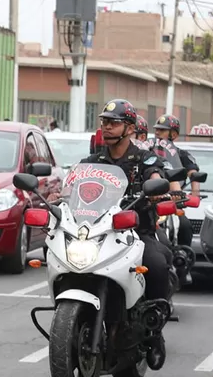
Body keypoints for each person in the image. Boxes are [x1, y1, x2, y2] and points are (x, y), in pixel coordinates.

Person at [80, 99, 171, 303]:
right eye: (105, 122)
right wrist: (60, 194)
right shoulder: (93, 161)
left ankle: (154, 323)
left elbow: (155, 172)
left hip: (136, 233)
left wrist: (156, 185)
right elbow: (74, 184)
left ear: (130, 128)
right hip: (97, 233)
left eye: (114, 123)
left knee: (156, 265)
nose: (108, 127)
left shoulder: (143, 157)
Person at [152, 114, 200, 284]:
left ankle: (183, 266)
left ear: (173, 134)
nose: (158, 133)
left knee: (185, 226)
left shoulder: (182, 155)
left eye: (163, 130)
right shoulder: (148, 150)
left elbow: (193, 174)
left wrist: (194, 195)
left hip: (172, 199)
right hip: (150, 199)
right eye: (157, 129)